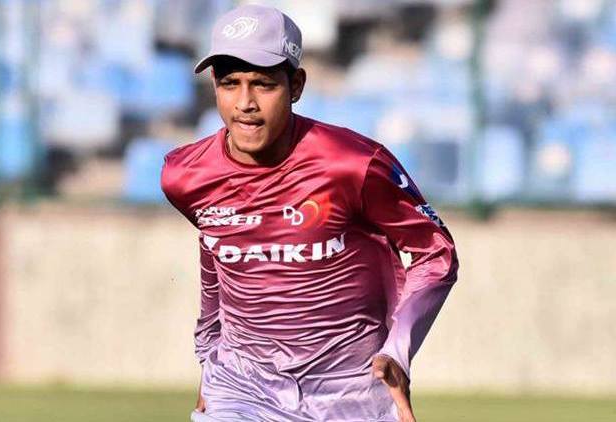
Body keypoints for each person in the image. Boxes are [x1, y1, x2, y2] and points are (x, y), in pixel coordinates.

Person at [161, 5, 459, 422]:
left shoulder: (355, 165)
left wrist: (398, 350)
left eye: (263, 84)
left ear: (296, 85)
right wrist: (209, 362)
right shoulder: (184, 175)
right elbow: (217, 255)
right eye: (230, 84)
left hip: (349, 396)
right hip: (241, 390)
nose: (245, 103)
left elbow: (435, 253)